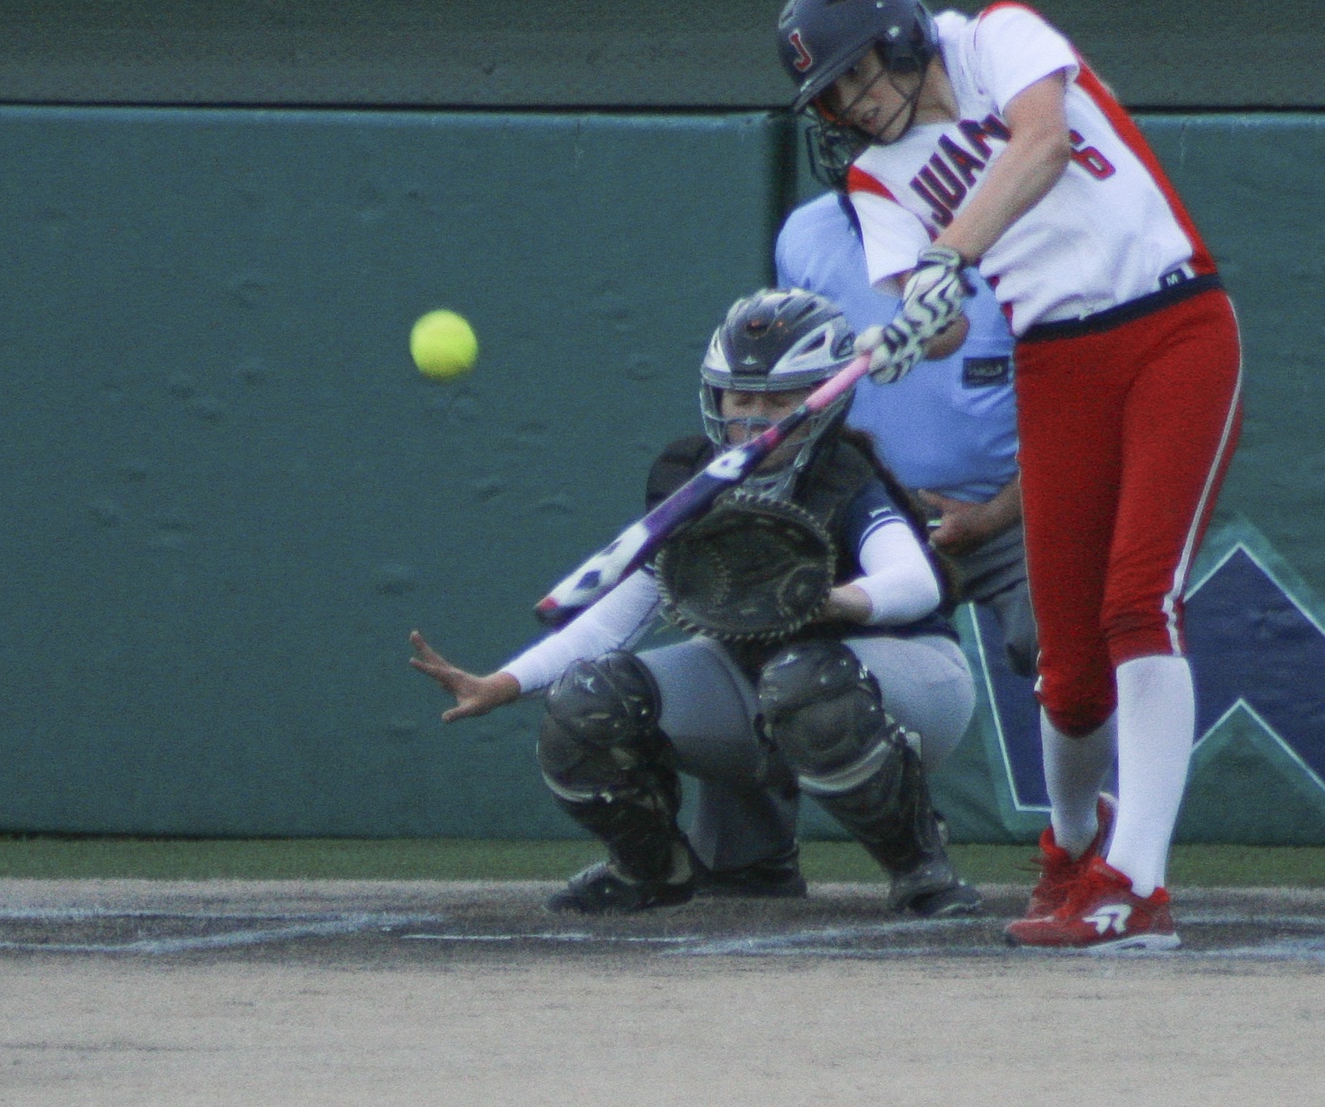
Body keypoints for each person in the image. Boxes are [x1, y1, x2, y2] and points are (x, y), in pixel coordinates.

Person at [777, 0, 1242, 951]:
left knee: (1137, 602)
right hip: (1054, 360)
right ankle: (1073, 845)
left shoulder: (996, 37)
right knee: (1068, 665)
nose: (858, 106)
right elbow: (932, 316)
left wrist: (946, 259)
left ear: (902, 39)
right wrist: (910, 326)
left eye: (861, 76)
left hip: (1170, 325)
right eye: (837, 98)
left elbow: (1044, 142)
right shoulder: (872, 175)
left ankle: (1137, 880)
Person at [409, 289, 982, 918]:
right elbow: (615, 620)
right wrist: (504, 683)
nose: (757, 417)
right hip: (765, 682)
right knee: (587, 699)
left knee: (804, 678)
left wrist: (832, 603)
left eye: (779, 399)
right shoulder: (693, 480)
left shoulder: (843, 474)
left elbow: (916, 583)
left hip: (907, 674)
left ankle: (919, 865)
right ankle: (654, 868)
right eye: (742, 398)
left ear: (823, 399)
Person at [774, 188, 1036, 678]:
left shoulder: (1020, 224)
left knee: (1071, 653)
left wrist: (991, 518)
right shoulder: (808, 232)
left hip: (1015, 517)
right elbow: (795, 391)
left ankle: (1102, 757)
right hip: (866, 515)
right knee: (819, 676)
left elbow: (1074, 418)